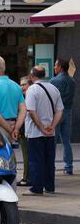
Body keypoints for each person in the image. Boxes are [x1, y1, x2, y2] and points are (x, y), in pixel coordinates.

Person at [24, 66, 64, 196]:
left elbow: (31, 110)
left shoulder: (32, 90)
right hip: (50, 132)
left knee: (36, 160)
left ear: (32, 76)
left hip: (35, 133)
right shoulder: (54, 88)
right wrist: (52, 126)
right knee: (49, 160)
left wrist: (41, 127)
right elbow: (59, 110)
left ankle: (37, 188)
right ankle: (50, 186)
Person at [0, 56, 26, 142]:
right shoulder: (16, 86)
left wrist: (10, 130)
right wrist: (16, 128)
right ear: (4, 69)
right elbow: (23, 110)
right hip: (14, 124)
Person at [50, 58, 76, 175]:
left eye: (56, 65)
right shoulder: (72, 81)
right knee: (66, 141)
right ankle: (69, 167)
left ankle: (51, 166)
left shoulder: (54, 81)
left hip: (56, 113)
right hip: (68, 111)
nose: (54, 67)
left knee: (52, 141)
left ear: (60, 67)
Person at [17, 76, 32, 187]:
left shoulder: (29, 97)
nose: (22, 87)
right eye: (21, 85)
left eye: (24, 84)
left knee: (27, 154)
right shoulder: (22, 97)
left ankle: (27, 177)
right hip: (25, 130)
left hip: (30, 130)